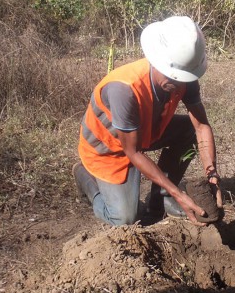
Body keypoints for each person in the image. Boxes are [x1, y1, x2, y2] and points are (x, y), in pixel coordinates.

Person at [73, 15, 223, 226]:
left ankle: (159, 200)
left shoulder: (185, 77)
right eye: (173, 76)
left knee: (188, 130)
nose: (178, 83)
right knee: (125, 219)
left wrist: (212, 175)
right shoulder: (123, 89)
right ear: (157, 61)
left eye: (182, 78)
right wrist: (178, 193)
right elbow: (132, 152)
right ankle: (85, 178)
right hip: (108, 149)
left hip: (145, 133)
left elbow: (201, 126)